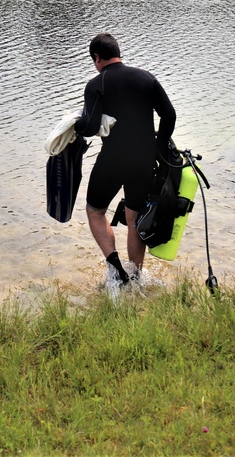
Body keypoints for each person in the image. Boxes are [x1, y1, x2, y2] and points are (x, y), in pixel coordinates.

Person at [74, 33, 176, 283]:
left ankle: (116, 269)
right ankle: (137, 276)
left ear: (96, 58)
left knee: (95, 210)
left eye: (94, 61)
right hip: (144, 160)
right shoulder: (146, 78)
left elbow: (90, 126)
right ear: (118, 53)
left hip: (112, 159)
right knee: (134, 218)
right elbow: (169, 115)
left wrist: (75, 127)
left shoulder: (97, 84)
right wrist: (159, 146)